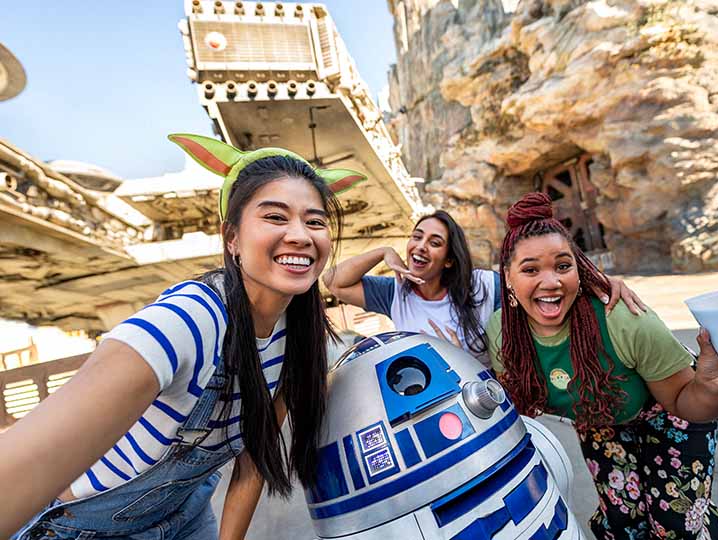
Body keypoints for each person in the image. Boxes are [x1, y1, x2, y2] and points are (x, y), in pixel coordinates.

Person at [0, 133, 365, 540]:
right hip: (85, 528)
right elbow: (20, 468)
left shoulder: (297, 336)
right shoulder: (189, 320)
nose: (300, 235)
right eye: (275, 217)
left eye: (315, 221)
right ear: (232, 238)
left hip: (187, 516)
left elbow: (253, 461)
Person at [485, 192, 718, 539]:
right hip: (600, 416)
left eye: (563, 265)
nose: (551, 281)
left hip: (669, 407)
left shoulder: (627, 322)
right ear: (508, 280)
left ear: (579, 269)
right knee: (622, 524)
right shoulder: (503, 334)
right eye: (531, 269)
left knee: (676, 525)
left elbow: (687, 405)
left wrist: (714, 385)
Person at [323, 209, 643, 367]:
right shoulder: (396, 291)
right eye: (416, 236)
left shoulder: (481, 286)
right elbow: (333, 281)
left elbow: (542, 289)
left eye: (434, 242)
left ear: (449, 260)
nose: (420, 246)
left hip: (485, 403)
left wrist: (600, 282)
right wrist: (383, 252)